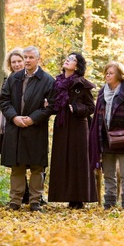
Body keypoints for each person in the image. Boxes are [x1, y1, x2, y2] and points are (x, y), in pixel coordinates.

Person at [0, 46, 55, 212]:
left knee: (37, 167)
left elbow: (51, 106)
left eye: (31, 57)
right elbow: (4, 100)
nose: (28, 60)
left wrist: (33, 118)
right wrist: (14, 117)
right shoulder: (14, 78)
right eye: (26, 57)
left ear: (38, 59)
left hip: (36, 129)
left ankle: (35, 201)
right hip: (15, 128)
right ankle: (15, 201)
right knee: (17, 166)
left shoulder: (47, 80)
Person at [88, 61, 124, 210]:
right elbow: (97, 117)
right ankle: (109, 204)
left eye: (111, 73)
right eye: (106, 73)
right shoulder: (102, 94)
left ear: (120, 75)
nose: (107, 75)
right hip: (105, 139)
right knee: (109, 174)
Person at [48, 52, 96, 209]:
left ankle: (78, 199)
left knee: (78, 161)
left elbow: (91, 107)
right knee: (62, 160)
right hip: (62, 125)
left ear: (78, 66)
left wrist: (76, 107)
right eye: (67, 58)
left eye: (72, 59)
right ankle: (64, 195)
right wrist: (49, 105)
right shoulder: (57, 83)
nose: (68, 60)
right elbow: (55, 104)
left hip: (78, 126)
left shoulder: (83, 84)